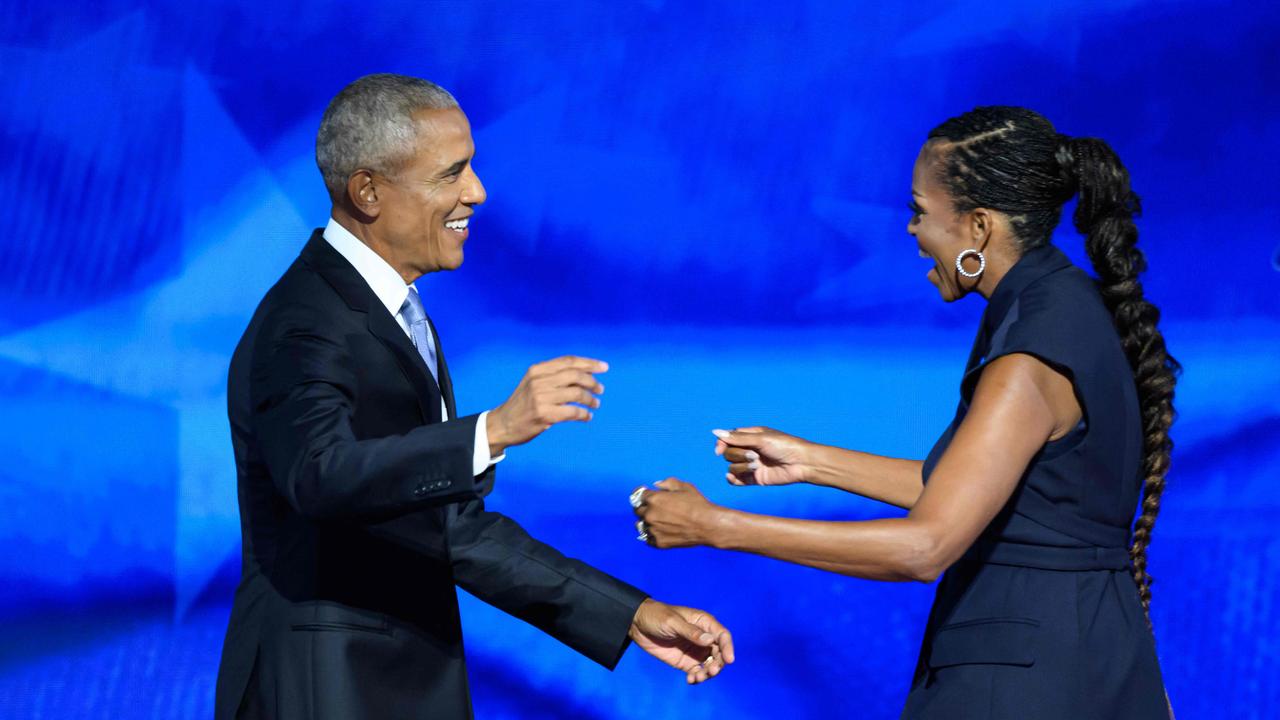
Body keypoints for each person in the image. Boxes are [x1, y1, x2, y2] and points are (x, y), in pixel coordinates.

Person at [214, 73, 733, 720]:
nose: (477, 193)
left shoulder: (392, 313)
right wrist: (492, 430)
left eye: (473, 168)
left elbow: (450, 529)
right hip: (326, 693)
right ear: (368, 191)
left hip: (398, 687)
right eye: (451, 173)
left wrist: (628, 615)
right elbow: (319, 476)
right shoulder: (306, 321)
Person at [633, 106, 1178, 718]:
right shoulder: (1065, 306)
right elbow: (980, 490)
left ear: (978, 226)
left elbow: (926, 547)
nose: (913, 230)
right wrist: (810, 462)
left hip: (1022, 680)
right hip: (1099, 656)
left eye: (921, 211)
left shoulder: (1030, 353)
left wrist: (715, 527)